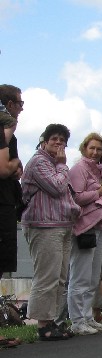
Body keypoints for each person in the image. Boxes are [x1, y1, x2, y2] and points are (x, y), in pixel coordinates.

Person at [20, 123, 80, 341]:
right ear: (44, 141)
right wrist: (63, 166)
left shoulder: (56, 165)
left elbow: (65, 196)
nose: (59, 143)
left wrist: (76, 210)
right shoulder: (39, 162)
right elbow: (56, 187)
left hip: (62, 225)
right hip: (44, 226)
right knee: (47, 276)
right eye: (54, 139)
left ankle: (54, 321)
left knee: (61, 277)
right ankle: (43, 325)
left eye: (63, 140)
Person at [66, 132, 102, 335]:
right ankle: (77, 320)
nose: (95, 152)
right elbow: (75, 197)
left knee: (93, 276)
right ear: (85, 148)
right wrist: (99, 193)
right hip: (85, 227)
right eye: (92, 148)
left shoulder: (98, 171)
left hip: (99, 225)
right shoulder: (79, 169)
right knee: (80, 275)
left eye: (99, 149)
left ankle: (87, 316)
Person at [0, 84, 23, 280]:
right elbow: (3, 168)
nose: (21, 109)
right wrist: (14, 163)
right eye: (20, 104)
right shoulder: (6, 126)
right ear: (9, 104)